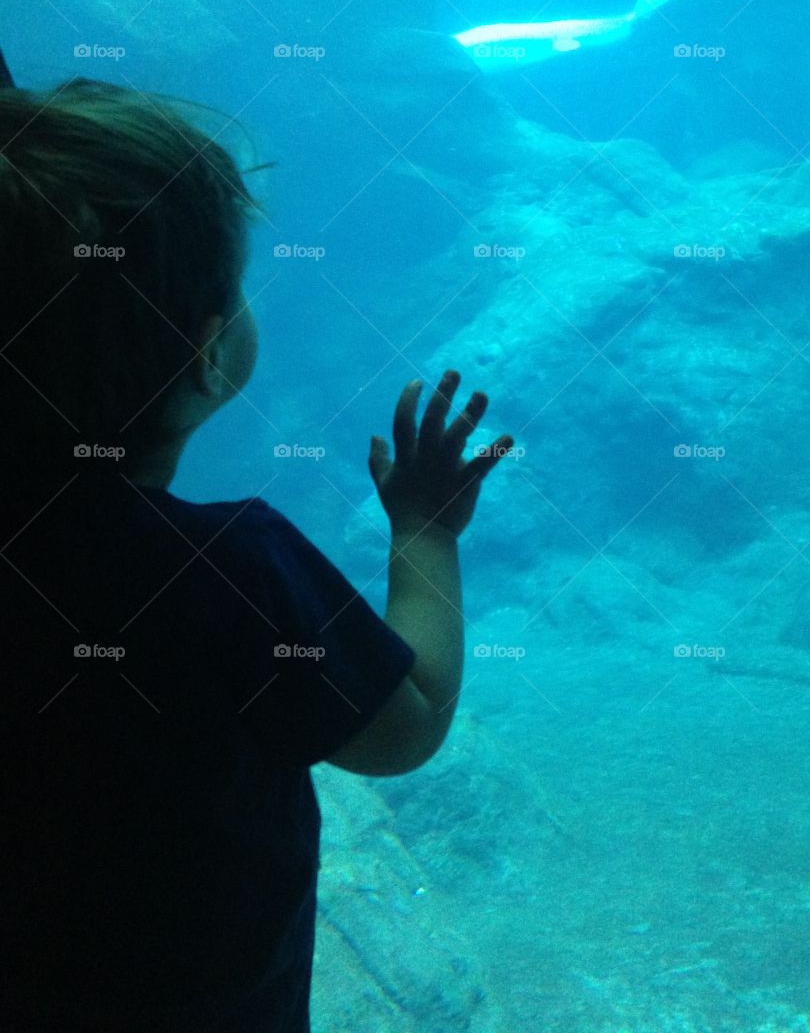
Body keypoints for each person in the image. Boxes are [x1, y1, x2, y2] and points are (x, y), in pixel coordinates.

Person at [0, 77, 513, 1032]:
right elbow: (408, 723)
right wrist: (426, 532)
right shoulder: (229, 570)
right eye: (237, 290)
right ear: (205, 358)